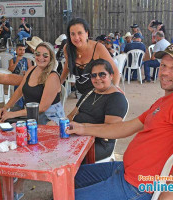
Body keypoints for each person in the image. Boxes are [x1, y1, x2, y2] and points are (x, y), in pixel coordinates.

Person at [67, 44, 173, 200]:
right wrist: (83, 128)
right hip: (124, 169)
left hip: (137, 186)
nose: (164, 72)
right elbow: (124, 128)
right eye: (163, 65)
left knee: (64, 195)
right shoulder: (162, 102)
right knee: (69, 177)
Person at [67, 59, 128, 161]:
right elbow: (71, 115)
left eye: (102, 74)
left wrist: (82, 128)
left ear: (111, 76)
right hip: (77, 136)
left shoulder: (116, 98)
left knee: (67, 155)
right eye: (93, 75)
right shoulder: (90, 93)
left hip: (100, 143)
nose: (97, 78)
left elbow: (111, 129)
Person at [0, 42, 65, 125]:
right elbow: (19, 91)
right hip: (33, 116)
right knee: (0, 122)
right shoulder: (31, 70)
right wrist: (6, 107)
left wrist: (13, 114)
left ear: (51, 57)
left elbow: (42, 108)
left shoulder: (52, 76)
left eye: (45, 55)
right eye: (38, 54)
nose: (40, 58)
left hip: (50, 118)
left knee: (11, 126)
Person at [60, 18, 120, 96]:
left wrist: (115, 88)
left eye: (80, 33)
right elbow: (67, 67)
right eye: (73, 34)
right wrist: (58, 84)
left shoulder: (98, 48)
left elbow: (115, 70)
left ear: (87, 33)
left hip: (100, 93)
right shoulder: (67, 48)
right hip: (81, 94)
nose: (76, 37)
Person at [8, 43, 32, 109]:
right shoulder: (12, 60)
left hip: (25, 79)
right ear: (16, 50)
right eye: (20, 49)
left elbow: (30, 71)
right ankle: (19, 105)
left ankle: (24, 104)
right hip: (16, 79)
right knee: (18, 86)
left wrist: (26, 72)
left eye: (23, 50)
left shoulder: (27, 60)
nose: (22, 51)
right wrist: (16, 62)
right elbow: (10, 70)